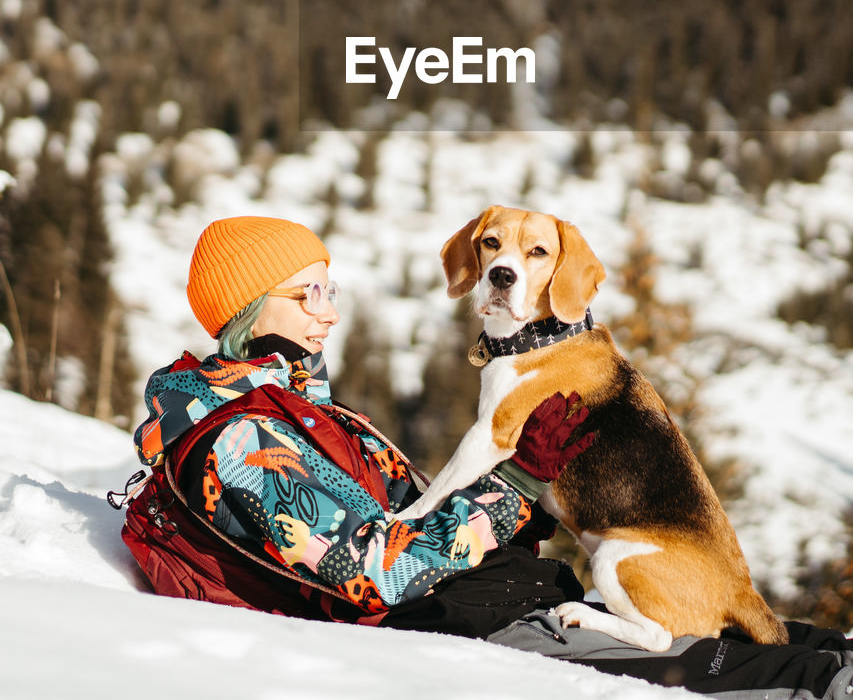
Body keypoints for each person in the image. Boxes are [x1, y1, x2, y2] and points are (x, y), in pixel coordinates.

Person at [130, 216, 853, 698]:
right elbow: (374, 572)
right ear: (250, 309)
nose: (329, 310)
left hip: (511, 595)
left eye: (331, 289)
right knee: (799, 678)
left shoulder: (309, 411)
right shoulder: (243, 441)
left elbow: (425, 509)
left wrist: (524, 506)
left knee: (819, 646)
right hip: (463, 626)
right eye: (307, 292)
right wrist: (513, 481)